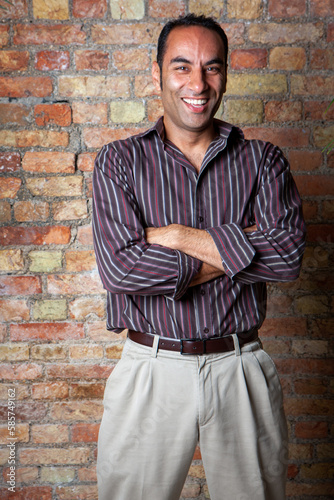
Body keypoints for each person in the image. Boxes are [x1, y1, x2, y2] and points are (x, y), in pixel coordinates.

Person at [92, 14, 306, 500]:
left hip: (240, 365)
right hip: (150, 366)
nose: (198, 83)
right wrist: (242, 247)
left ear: (225, 74)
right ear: (157, 74)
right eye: (182, 66)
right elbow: (121, 269)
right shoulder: (118, 162)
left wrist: (175, 236)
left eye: (212, 68)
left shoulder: (263, 161)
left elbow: (288, 255)